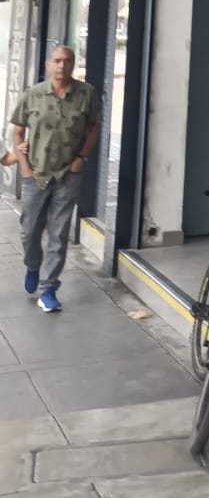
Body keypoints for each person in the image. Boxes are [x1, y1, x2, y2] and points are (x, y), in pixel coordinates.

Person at [10, 45, 101, 312]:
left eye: (68, 61)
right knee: (29, 231)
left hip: (68, 174)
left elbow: (94, 126)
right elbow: (17, 132)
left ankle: (48, 288)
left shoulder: (87, 94)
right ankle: (33, 265)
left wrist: (81, 157)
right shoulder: (33, 94)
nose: (62, 65)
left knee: (59, 233)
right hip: (35, 174)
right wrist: (24, 167)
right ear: (49, 64)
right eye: (57, 61)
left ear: (74, 64)